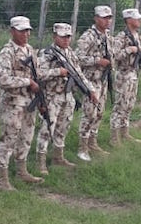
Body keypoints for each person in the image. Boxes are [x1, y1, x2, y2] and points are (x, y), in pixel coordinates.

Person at [35, 23, 98, 173]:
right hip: (51, 97)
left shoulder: (70, 53)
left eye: (68, 37)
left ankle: (58, 157)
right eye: (63, 37)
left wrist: (90, 90)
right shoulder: (47, 54)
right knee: (47, 129)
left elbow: (79, 74)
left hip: (67, 96)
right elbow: (39, 74)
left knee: (63, 127)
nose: (66, 40)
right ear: (55, 36)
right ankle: (40, 162)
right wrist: (58, 71)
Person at [0, 16, 44, 190]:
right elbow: (3, 80)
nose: (26, 34)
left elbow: (38, 75)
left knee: (27, 137)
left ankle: (21, 171)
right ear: (12, 31)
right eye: (22, 30)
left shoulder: (30, 50)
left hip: (30, 102)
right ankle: (2, 179)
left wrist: (40, 98)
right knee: (8, 139)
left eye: (28, 30)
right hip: (13, 103)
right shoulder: (7, 53)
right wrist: (27, 82)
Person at [110, 7, 141, 145]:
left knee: (129, 104)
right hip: (123, 74)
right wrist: (129, 49)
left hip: (133, 74)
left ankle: (125, 133)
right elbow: (114, 55)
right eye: (136, 18)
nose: (140, 20)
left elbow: (138, 57)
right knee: (120, 105)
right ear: (129, 20)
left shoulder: (138, 36)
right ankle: (114, 137)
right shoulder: (121, 37)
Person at [75, 5, 115, 161]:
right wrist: (97, 61)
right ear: (96, 18)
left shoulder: (107, 36)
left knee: (99, 113)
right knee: (89, 114)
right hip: (90, 80)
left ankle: (93, 142)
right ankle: (82, 148)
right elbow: (77, 58)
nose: (107, 21)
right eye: (104, 18)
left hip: (103, 79)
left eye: (109, 18)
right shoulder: (88, 37)